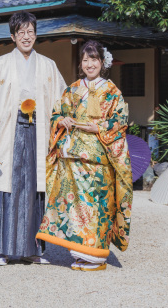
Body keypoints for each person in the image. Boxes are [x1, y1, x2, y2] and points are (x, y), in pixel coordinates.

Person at [0, 11, 66, 265]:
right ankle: (0, 249)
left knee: (35, 189)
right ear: (12, 36)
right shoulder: (0, 63)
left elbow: (61, 100)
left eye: (30, 31)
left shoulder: (48, 65)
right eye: (21, 32)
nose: (27, 37)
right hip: (7, 131)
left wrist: (67, 120)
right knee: (5, 186)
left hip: (39, 130)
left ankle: (34, 250)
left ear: (36, 34)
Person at [36, 40, 132, 271]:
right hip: (73, 158)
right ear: (81, 63)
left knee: (97, 206)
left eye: (94, 59)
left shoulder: (112, 91)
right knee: (76, 208)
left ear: (102, 62)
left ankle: (96, 257)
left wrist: (98, 128)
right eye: (85, 60)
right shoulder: (72, 89)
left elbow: (121, 120)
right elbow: (56, 113)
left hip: (99, 158)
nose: (89, 64)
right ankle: (81, 254)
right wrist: (62, 120)